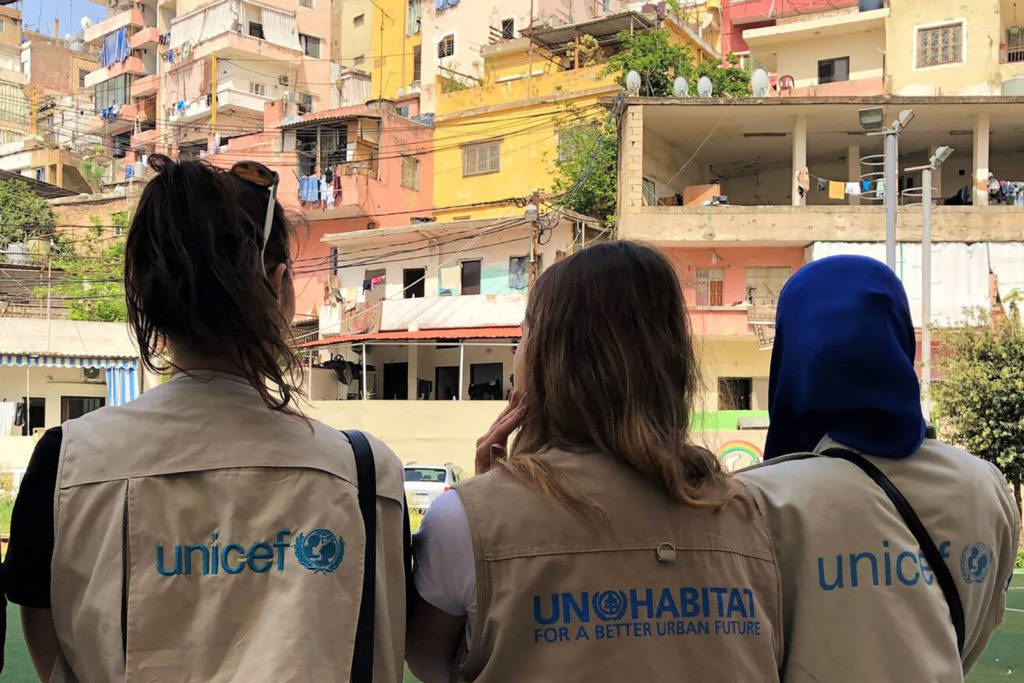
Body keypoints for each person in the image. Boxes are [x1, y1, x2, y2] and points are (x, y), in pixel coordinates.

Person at [4, 156, 409, 682]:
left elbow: (52, 649)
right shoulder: (366, 474)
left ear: (148, 296)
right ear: (280, 285)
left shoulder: (64, 464)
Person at [406, 241, 783, 682]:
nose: (516, 351)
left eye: (524, 332)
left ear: (551, 358)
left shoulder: (463, 522)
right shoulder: (750, 514)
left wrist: (485, 514)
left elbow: (431, 661)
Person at [737, 255, 1020, 682]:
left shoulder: (757, 502)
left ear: (792, 350)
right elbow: (971, 636)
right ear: (899, 338)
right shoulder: (984, 485)